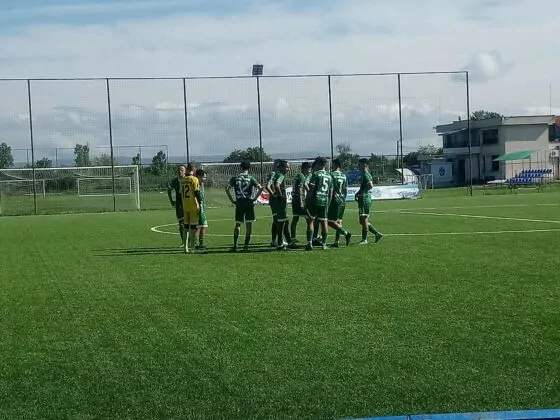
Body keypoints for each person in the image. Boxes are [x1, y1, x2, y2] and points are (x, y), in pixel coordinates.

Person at [225, 161, 263, 252]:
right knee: (248, 224)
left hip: (239, 202)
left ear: (240, 168)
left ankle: (235, 246)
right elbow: (261, 188)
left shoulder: (235, 178)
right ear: (249, 169)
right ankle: (245, 246)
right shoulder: (251, 178)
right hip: (249, 202)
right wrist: (255, 198)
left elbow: (226, 188)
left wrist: (232, 200)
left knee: (238, 224)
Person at [305, 157, 332, 250]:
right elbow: (330, 192)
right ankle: (324, 244)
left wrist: (306, 200)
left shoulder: (315, 174)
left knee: (310, 220)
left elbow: (311, 189)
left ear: (318, 164)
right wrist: (328, 202)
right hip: (325, 201)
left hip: (315, 200)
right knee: (324, 221)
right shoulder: (329, 176)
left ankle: (309, 243)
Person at [355, 158, 383, 245]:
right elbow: (364, 186)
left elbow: (370, 185)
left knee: (364, 219)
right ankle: (377, 234)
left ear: (364, 165)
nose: (358, 166)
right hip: (363, 198)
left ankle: (364, 239)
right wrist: (358, 193)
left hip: (364, 199)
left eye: (360, 164)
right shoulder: (364, 174)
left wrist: (362, 193)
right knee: (362, 220)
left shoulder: (366, 174)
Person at [328, 158, 352, 247]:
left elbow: (330, 189)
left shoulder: (331, 175)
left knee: (329, 222)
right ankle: (336, 242)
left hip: (334, 200)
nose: (331, 166)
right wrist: (343, 199)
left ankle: (346, 233)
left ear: (336, 165)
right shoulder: (344, 176)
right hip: (342, 200)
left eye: (332, 164)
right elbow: (345, 190)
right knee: (338, 221)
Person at [179, 163, 202, 253]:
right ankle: (192, 247)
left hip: (185, 205)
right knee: (193, 227)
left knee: (185, 227)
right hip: (193, 205)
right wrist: (200, 203)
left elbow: (181, 193)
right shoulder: (194, 179)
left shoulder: (182, 180)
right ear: (193, 170)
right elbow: (197, 192)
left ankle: (185, 247)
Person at [272, 160, 292, 250]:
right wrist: (281, 196)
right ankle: (280, 243)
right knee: (281, 223)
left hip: (276, 202)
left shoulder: (276, 174)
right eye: (287, 167)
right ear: (282, 167)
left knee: (283, 222)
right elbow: (277, 185)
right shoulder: (281, 175)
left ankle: (287, 241)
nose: (289, 169)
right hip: (280, 202)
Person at [290, 161, 312, 244]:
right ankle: (311, 239)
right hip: (299, 200)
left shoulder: (297, 176)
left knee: (295, 218)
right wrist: (302, 202)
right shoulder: (302, 177)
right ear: (305, 169)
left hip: (294, 200)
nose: (310, 170)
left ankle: (293, 238)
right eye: (309, 169)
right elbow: (300, 189)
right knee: (309, 219)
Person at [167, 164, 187, 247]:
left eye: (182, 170)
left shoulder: (189, 179)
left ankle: (193, 241)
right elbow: (169, 190)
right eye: (179, 170)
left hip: (189, 203)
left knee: (191, 224)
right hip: (179, 205)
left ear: (185, 171)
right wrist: (171, 201)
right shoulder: (175, 181)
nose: (180, 171)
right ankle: (184, 242)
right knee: (181, 223)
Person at [265, 159, 282, 247]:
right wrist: (273, 194)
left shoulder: (277, 174)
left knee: (279, 220)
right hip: (274, 201)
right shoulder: (273, 173)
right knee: (277, 220)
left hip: (276, 200)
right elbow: (267, 186)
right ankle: (275, 240)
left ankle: (276, 240)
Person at [195, 169, 208, 251]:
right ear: (198, 177)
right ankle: (196, 243)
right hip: (198, 208)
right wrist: (199, 205)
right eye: (203, 177)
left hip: (202, 207)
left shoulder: (201, 185)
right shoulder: (196, 185)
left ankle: (200, 243)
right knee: (200, 226)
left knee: (202, 226)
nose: (204, 179)